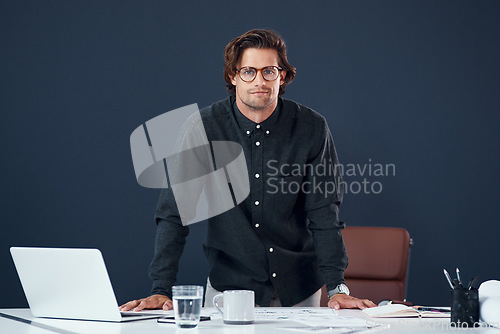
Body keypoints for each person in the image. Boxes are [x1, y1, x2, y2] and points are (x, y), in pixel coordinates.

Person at [120, 29, 376, 312]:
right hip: (229, 291)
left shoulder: (311, 127)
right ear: (233, 76)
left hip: (299, 291)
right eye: (248, 72)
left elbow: (324, 213)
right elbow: (174, 213)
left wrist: (337, 287)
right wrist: (161, 289)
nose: (260, 81)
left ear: (283, 76)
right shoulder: (202, 128)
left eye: (269, 71)